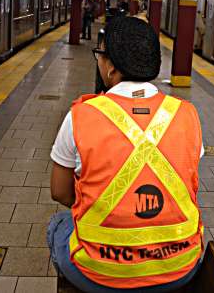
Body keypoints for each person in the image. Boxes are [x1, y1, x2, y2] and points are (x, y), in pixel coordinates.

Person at [47, 17, 204, 292]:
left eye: (100, 54)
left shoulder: (81, 116)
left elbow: (60, 192)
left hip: (98, 273)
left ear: (110, 67)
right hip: (180, 267)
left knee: (58, 224)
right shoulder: (187, 114)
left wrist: (100, 207)